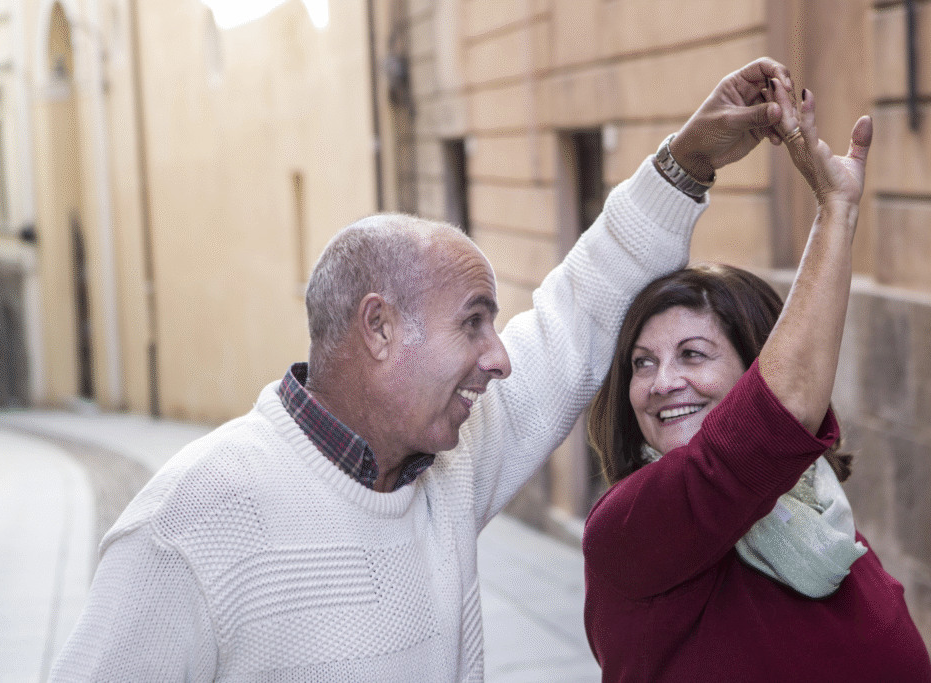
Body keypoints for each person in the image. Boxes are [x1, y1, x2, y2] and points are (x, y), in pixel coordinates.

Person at [50, 58, 793, 682]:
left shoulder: (449, 461)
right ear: (378, 328)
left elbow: (577, 314)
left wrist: (685, 164)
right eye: (473, 321)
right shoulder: (188, 521)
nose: (499, 355)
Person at [582, 80, 931, 681]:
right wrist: (835, 210)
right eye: (642, 362)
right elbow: (777, 418)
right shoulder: (630, 527)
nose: (662, 381)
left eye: (693, 354)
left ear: (754, 367)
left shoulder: (813, 509)